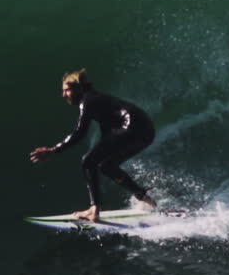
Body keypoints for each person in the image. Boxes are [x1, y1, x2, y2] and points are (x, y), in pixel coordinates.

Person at [29, 68, 157, 221]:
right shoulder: (97, 100)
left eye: (67, 90)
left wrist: (53, 150)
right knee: (106, 165)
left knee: (88, 161)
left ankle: (94, 209)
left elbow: (79, 133)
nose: (63, 95)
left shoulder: (87, 101)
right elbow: (107, 134)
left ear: (78, 88)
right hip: (146, 131)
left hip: (133, 127)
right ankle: (144, 197)